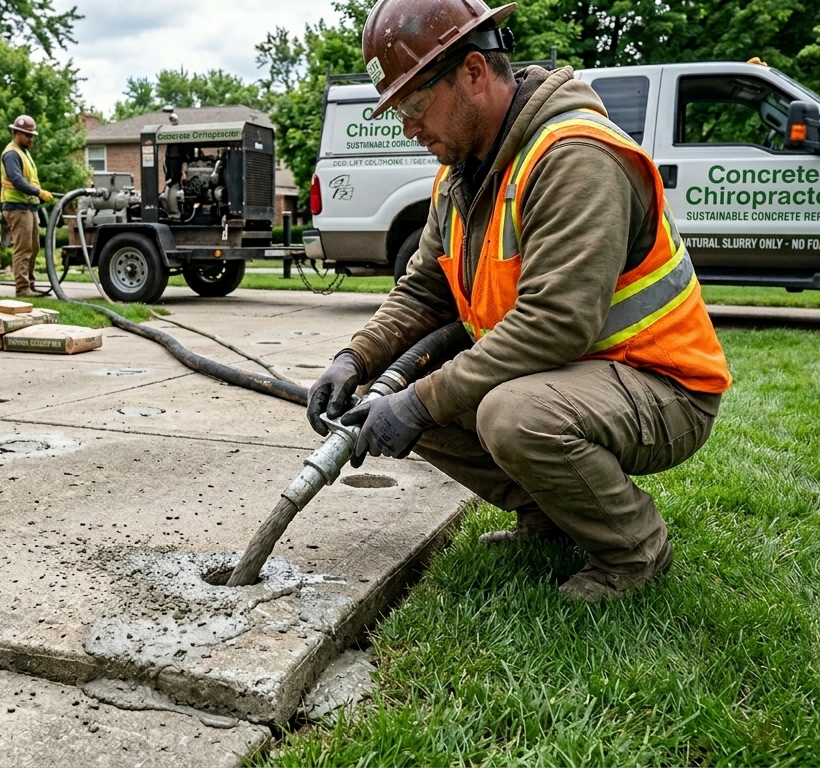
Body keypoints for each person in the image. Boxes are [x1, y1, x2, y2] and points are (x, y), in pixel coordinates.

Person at [306, 0, 732, 602]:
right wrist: (356, 359)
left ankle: (633, 549)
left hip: (662, 386)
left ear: (474, 72)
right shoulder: (461, 175)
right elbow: (426, 290)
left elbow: (556, 323)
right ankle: (553, 522)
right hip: (575, 375)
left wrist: (419, 401)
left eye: (415, 104)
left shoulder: (574, 157)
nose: (408, 127)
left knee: (506, 414)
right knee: (406, 406)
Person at [1, 115, 54, 297]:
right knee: (23, 248)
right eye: (27, 135)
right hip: (17, 207)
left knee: (33, 247)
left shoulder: (23, 153)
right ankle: (22, 288)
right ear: (15, 133)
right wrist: (39, 192)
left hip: (28, 207)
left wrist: (38, 194)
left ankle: (29, 285)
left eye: (32, 135)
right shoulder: (11, 154)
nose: (30, 139)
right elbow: (16, 180)